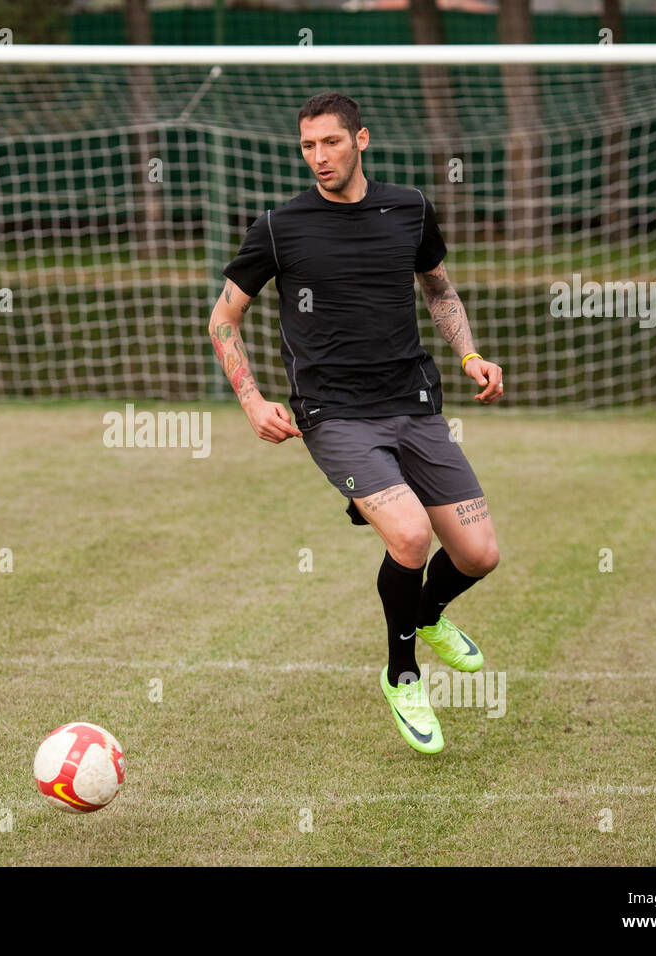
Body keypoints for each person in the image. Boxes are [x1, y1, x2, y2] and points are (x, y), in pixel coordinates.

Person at [206, 91, 503, 755]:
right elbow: (224, 320)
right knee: (409, 534)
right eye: (308, 146)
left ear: (361, 139)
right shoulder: (280, 227)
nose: (318, 157)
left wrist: (471, 354)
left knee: (480, 554)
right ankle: (402, 677)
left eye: (330, 143)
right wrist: (253, 400)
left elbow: (439, 289)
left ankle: (426, 614)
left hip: (415, 404)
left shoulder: (410, 208)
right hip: (334, 413)